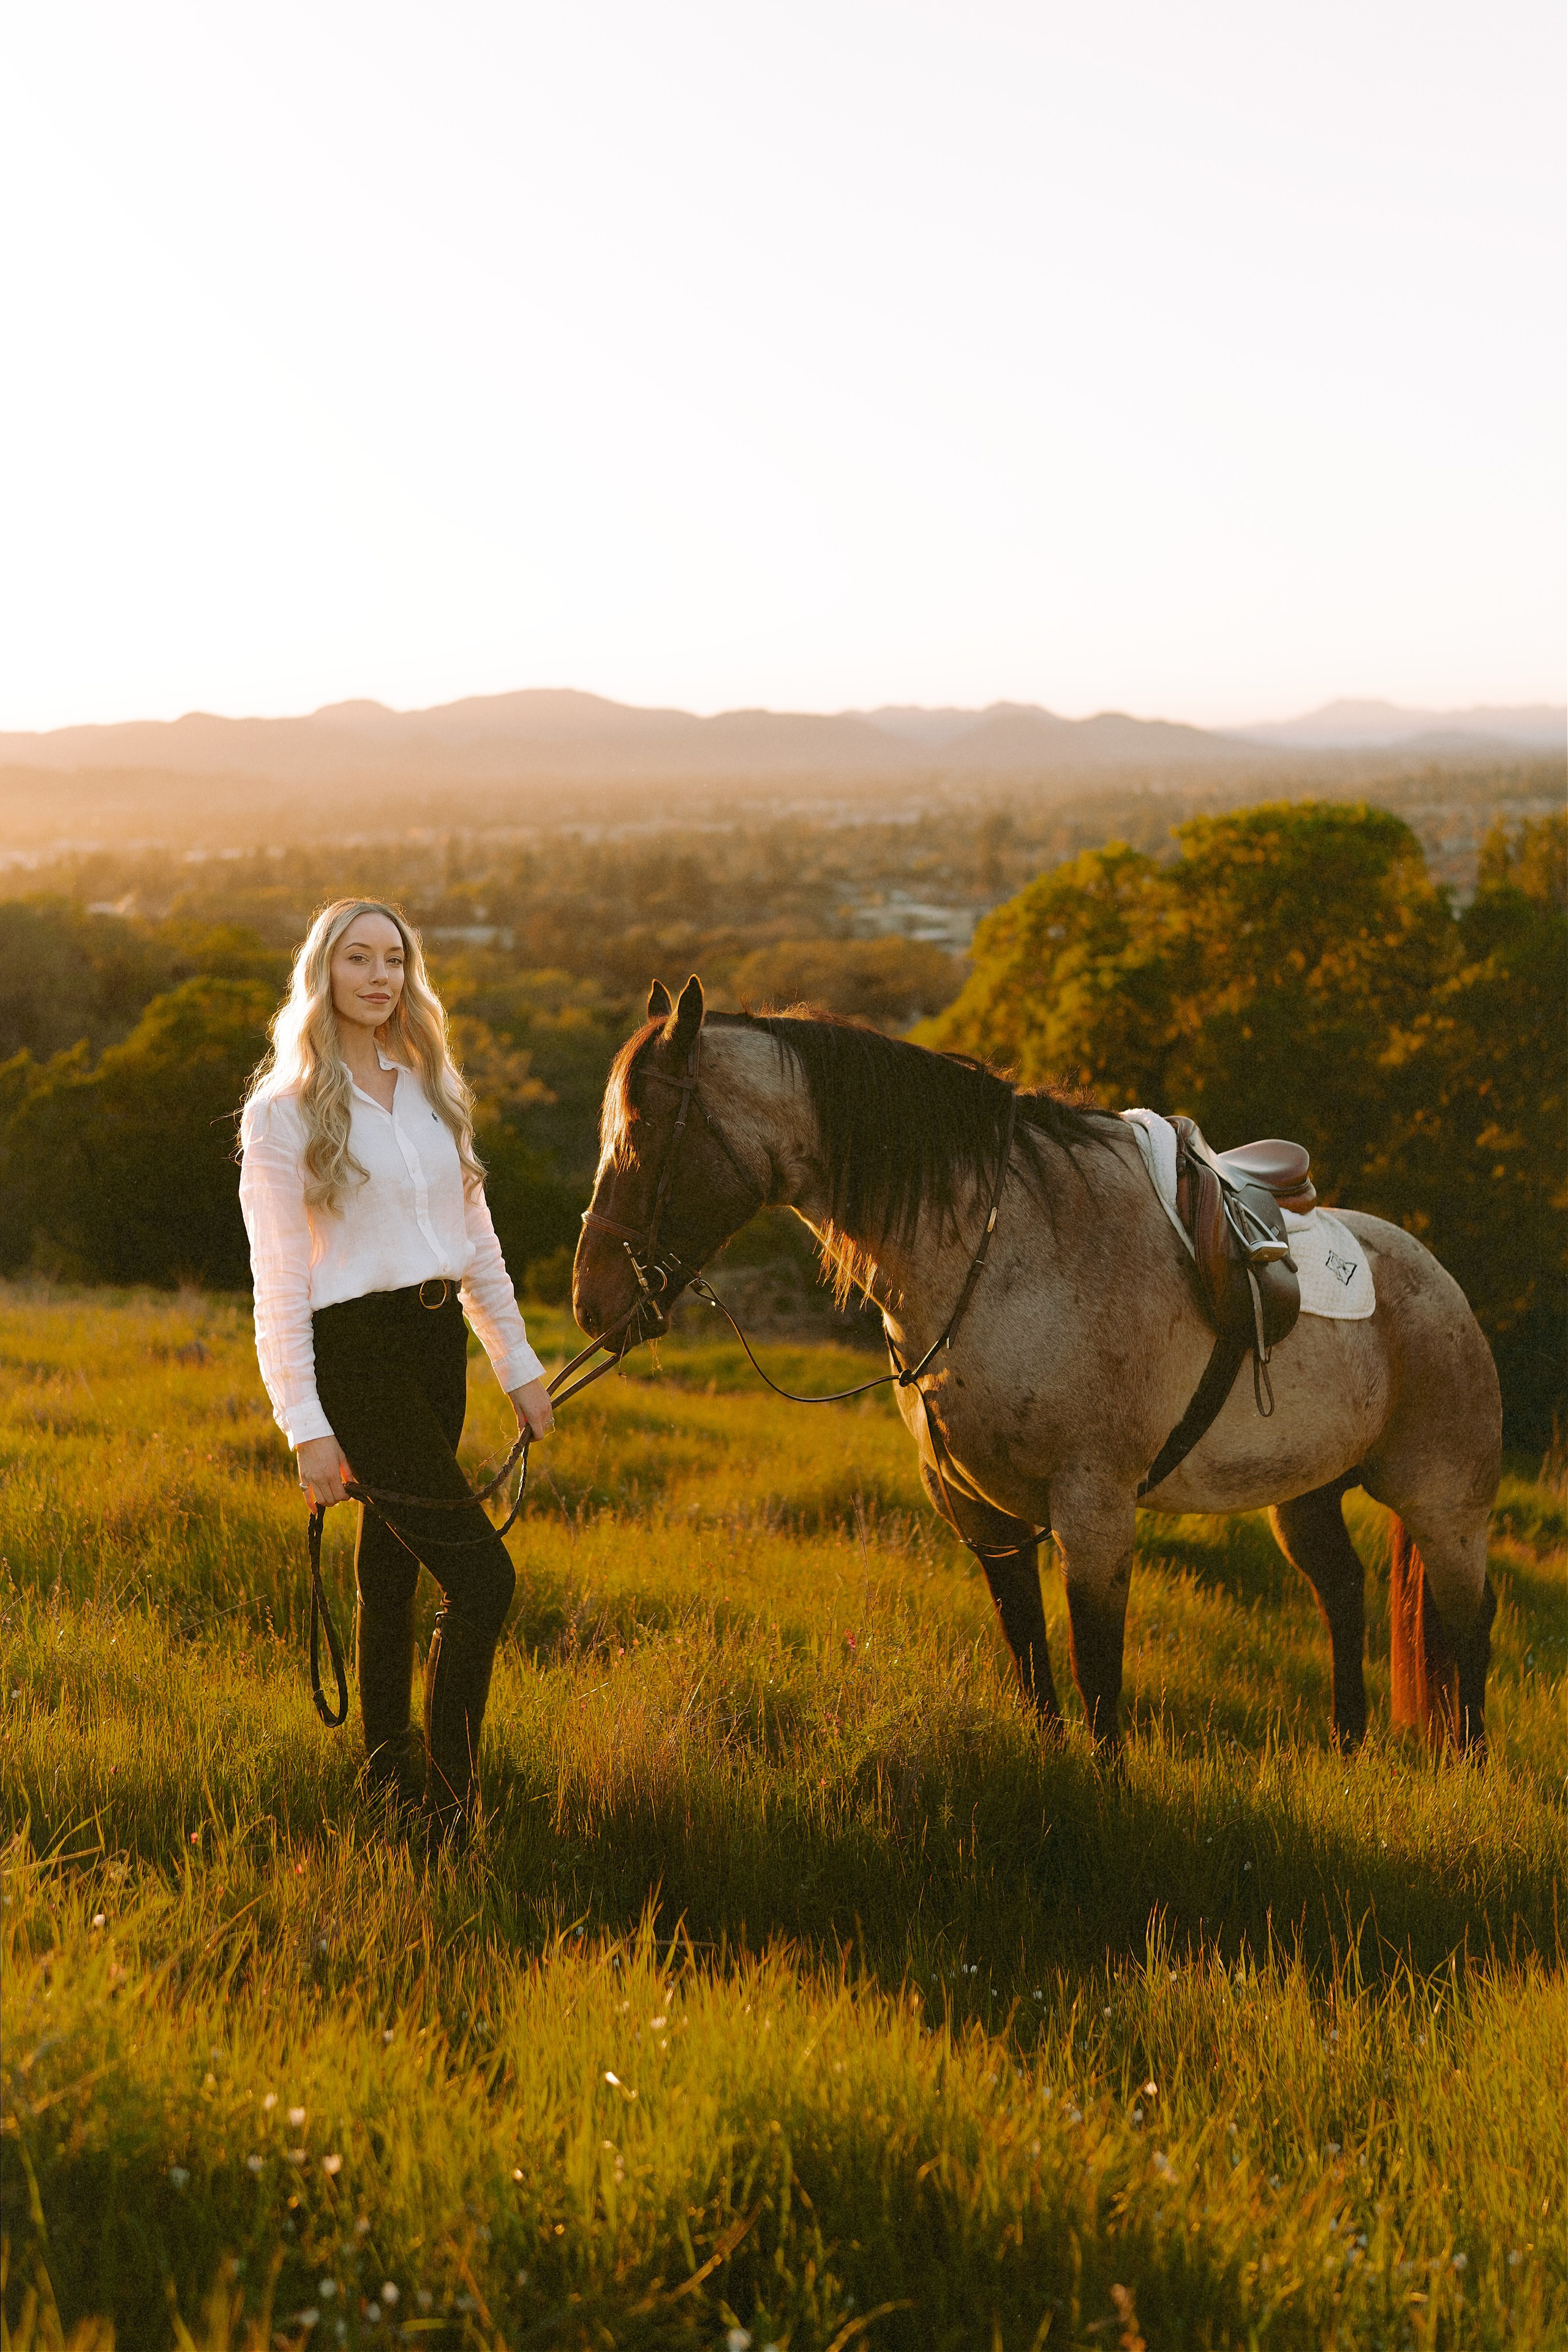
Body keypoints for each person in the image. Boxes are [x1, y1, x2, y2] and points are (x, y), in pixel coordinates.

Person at [239, 897, 553, 1846]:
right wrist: (306, 1426)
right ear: (323, 973)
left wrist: (519, 1367)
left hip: (434, 1351)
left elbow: (478, 1241)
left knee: (395, 1567)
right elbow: (279, 1282)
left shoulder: (429, 1087)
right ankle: (452, 1812)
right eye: (358, 960)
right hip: (358, 1357)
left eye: (394, 960)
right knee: (483, 1581)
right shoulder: (283, 1113)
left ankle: (387, 1775)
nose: (380, 977)